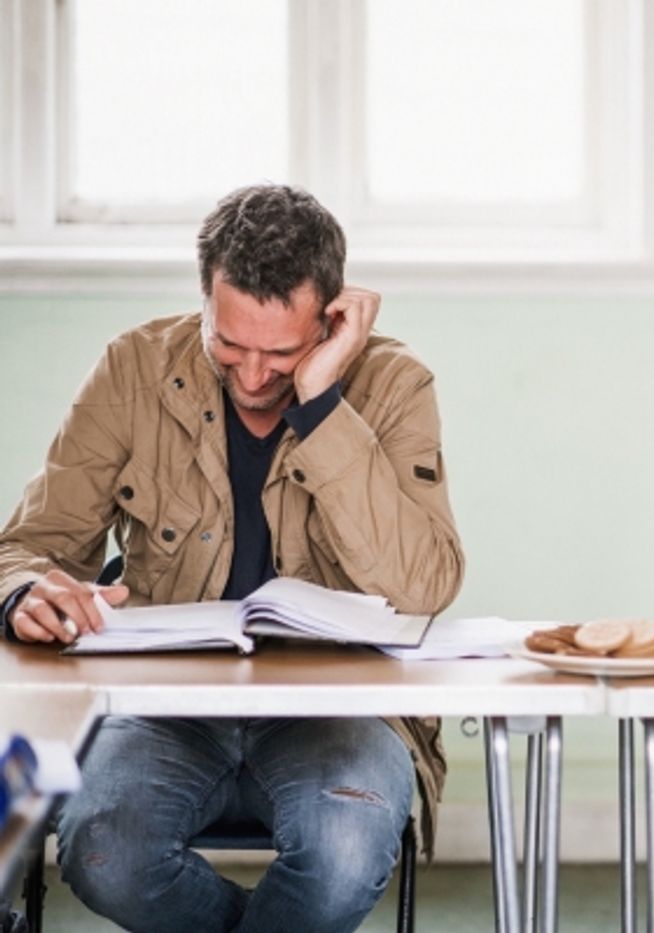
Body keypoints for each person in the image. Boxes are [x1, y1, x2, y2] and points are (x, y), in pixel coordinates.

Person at [0, 184, 465, 933]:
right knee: (102, 851)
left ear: (333, 316)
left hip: (340, 710)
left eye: (283, 353)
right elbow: (28, 545)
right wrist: (21, 590)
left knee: (342, 857)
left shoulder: (393, 384)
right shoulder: (133, 369)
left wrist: (320, 406)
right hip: (165, 705)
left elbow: (424, 582)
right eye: (230, 344)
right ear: (204, 300)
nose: (252, 377)